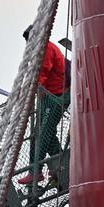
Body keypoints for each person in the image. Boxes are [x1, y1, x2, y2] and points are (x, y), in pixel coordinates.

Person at [18, 25, 69, 186]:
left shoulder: (46, 49)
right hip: (51, 96)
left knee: (41, 132)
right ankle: (62, 166)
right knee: (46, 132)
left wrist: (30, 92)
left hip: (55, 96)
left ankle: (36, 171)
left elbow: (42, 73)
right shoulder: (45, 48)